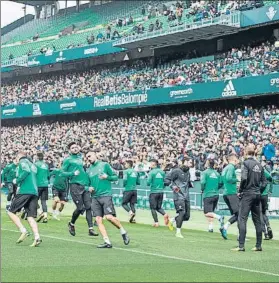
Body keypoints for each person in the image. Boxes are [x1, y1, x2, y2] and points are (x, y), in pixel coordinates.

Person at [86, 151, 130, 248]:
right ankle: (107, 242)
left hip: (106, 195)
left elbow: (115, 177)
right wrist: (87, 188)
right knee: (98, 219)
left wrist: (107, 177)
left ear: (95, 155)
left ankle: (123, 232)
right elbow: (86, 184)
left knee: (109, 217)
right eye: (87, 157)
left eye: (89, 156)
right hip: (94, 197)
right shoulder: (88, 170)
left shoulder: (104, 165)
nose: (88, 158)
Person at [232, 145, 267, 252]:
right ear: (254, 153)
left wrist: (241, 190)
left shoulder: (246, 163)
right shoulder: (259, 165)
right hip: (257, 194)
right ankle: (258, 245)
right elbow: (265, 182)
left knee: (242, 218)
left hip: (247, 194)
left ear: (246, 153)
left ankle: (241, 246)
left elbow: (243, 178)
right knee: (257, 220)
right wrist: (258, 190)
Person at [61, 142, 98, 237]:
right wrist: (72, 173)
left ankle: (91, 229)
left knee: (89, 207)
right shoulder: (68, 160)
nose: (75, 149)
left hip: (85, 185)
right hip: (75, 186)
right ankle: (71, 223)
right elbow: (61, 173)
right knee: (80, 208)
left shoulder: (81, 158)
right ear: (69, 150)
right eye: (72, 147)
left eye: (76, 147)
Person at [7, 151, 42, 247]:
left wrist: (17, 181)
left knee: (10, 211)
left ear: (19, 157)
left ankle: (23, 230)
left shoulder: (23, 162)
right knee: (30, 216)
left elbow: (26, 171)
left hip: (25, 190)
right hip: (34, 192)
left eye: (16, 159)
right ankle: (37, 237)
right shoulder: (33, 165)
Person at [164, 159, 191, 238]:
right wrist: (173, 186)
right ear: (182, 163)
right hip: (178, 195)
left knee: (186, 216)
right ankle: (178, 232)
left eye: (190, 163)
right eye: (188, 162)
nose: (190, 164)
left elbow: (187, 183)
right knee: (181, 213)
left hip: (186, 196)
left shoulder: (188, 172)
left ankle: (172, 220)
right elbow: (166, 180)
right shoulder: (176, 171)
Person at [200, 159, 224, 233]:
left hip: (208, 194)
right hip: (216, 194)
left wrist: (202, 189)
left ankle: (219, 217)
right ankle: (210, 228)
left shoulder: (204, 173)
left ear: (207, 164)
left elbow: (202, 182)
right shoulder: (217, 174)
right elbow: (221, 183)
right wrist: (216, 188)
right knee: (211, 212)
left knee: (207, 213)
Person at [220, 154, 240, 239]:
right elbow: (228, 178)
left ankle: (225, 227)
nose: (238, 160)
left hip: (226, 193)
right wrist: (237, 179)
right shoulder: (231, 167)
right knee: (240, 214)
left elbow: (223, 180)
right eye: (237, 159)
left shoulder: (225, 168)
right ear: (233, 159)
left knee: (237, 214)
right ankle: (240, 235)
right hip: (231, 193)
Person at [147, 159, 169, 228]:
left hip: (154, 192)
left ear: (153, 164)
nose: (150, 165)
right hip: (161, 192)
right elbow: (166, 182)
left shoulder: (152, 172)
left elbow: (148, 182)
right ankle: (165, 214)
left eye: (150, 163)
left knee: (153, 208)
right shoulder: (162, 172)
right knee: (158, 207)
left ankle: (156, 222)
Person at [35, 152, 50, 223]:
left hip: (38, 185)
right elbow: (48, 175)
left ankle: (40, 213)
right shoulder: (46, 165)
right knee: (43, 201)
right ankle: (45, 217)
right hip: (45, 185)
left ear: (37, 157)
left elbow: (33, 174)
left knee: (33, 200)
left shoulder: (35, 164)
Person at [261, 165, 273, 240]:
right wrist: (270, 190)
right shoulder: (264, 171)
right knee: (264, 213)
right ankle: (268, 226)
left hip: (257, 194)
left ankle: (265, 233)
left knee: (259, 214)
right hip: (264, 195)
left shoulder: (253, 171)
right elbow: (270, 178)